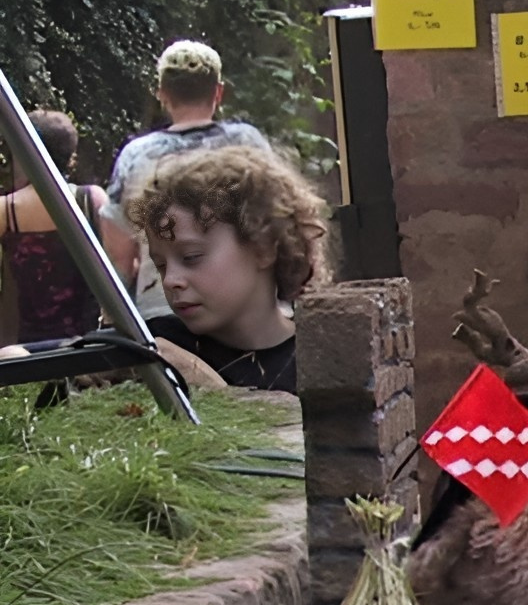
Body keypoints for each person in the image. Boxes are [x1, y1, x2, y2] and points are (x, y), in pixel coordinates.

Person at [122, 144, 331, 392]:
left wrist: (214, 391)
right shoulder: (151, 343)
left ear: (263, 249)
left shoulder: (319, 362)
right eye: (161, 265)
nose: (170, 280)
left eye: (191, 257)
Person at [105, 40, 271, 324]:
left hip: (166, 311)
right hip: (242, 310)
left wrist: (110, 319)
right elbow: (275, 226)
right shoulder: (248, 144)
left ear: (162, 94)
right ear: (218, 92)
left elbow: (119, 255)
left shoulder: (135, 156)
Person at [2, 110, 138, 345]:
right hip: (86, 344)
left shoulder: (6, 210)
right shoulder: (91, 200)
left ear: (22, 154)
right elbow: (124, 264)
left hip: (22, 347)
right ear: (71, 158)